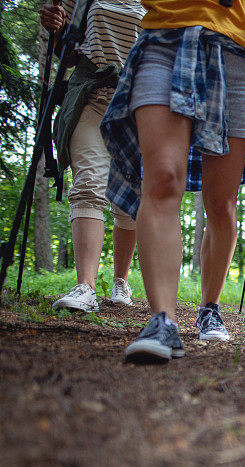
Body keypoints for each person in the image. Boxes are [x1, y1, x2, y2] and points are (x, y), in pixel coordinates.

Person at [100, 0, 245, 362]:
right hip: (164, 41)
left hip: (238, 53)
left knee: (221, 202)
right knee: (163, 179)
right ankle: (162, 320)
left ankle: (209, 306)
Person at [41, 0, 144, 313]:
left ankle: (120, 281)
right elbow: (67, 54)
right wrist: (56, 29)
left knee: (129, 199)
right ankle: (85, 287)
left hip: (136, 105)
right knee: (89, 181)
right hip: (90, 97)